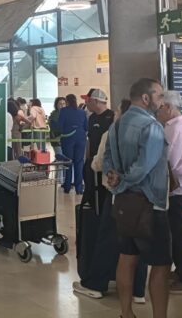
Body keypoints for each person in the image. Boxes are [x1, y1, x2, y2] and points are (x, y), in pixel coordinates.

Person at [104, 78, 169, 318]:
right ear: (145, 98)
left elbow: (108, 160)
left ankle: (126, 312)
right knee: (160, 264)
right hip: (150, 204)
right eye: (159, 96)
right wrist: (124, 179)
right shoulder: (151, 127)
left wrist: (114, 178)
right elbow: (144, 167)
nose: (162, 101)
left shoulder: (117, 125)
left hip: (124, 204)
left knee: (127, 257)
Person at [74, 98, 148, 304]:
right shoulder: (148, 132)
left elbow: (98, 164)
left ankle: (96, 284)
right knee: (138, 242)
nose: (114, 114)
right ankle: (138, 290)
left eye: (117, 111)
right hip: (143, 196)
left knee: (108, 240)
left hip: (118, 196)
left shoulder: (113, 133)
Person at [158, 90, 182, 293]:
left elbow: (169, 159)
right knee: (175, 232)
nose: (158, 112)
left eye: (160, 108)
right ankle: (181, 270)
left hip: (177, 189)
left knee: (180, 234)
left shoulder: (176, 128)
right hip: (177, 188)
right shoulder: (176, 126)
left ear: (169, 107)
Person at [82, 88, 114, 208]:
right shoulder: (92, 118)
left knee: (104, 193)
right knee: (92, 191)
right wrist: (88, 159)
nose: (86, 104)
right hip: (94, 161)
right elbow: (89, 139)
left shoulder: (112, 117)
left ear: (95, 101)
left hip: (106, 163)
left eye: (88, 101)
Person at [58, 94, 88, 194]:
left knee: (68, 162)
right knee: (79, 162)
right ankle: (79, 188)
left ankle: (67, 186)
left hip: (68, 139)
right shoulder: (82, 112)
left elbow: (60, 126)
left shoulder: (63, 111)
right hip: (81, 138)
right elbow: (86, 127)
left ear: (67, 101)